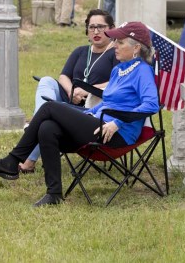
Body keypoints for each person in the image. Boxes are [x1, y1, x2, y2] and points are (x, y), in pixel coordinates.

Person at [0, 22, 159, 207]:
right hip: (97, 122)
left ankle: (12, 161)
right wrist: (86, 113)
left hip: (115, 134)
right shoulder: (118, 70)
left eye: (120, 42)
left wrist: (117, 123)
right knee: (48, 128)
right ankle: (53, 194)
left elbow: (151, 104)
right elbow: (108, 103)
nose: (115, 45)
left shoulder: (142, 71)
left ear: (136, 47)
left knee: (50, 107)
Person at [19, 9, 119, 173]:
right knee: (46, 81)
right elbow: (64, 76)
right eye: (91, 26)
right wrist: (73, 91)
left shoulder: (115, 53)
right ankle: (39, 118)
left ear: (111, 28)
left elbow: (116, 83)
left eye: (101, 27)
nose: (95, 31)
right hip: (68, 98)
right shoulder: (81, 51)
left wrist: (86, 92)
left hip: (91, 106)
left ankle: (29, 160)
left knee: (46, 118)